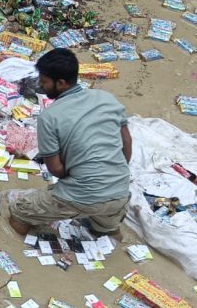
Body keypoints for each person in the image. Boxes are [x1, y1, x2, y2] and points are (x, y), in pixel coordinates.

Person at [8, 48, 132, 237]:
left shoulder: (49, 117)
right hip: (120, 193)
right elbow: (126, 145)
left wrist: (80, 172)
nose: (40, 85)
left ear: (61, 83)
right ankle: (106, 229)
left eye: (44, 81)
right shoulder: (107, 99)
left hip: (81, 195)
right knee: (105, 227)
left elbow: (56, 170)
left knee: (18, 212)